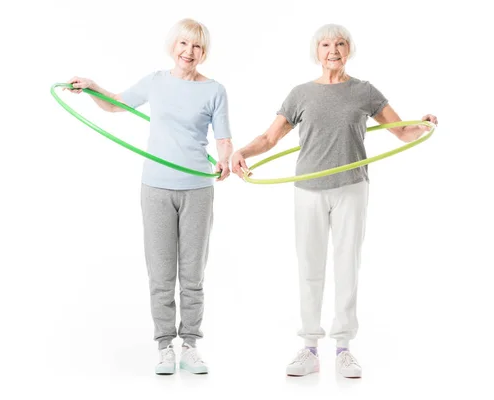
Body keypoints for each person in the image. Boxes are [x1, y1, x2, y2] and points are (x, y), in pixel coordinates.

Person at [231, 24, 438, 378]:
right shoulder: (300, 95)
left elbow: (401, 131)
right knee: (310, 268)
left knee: (346, 267)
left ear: (349, 50)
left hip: (351, 187)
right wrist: (242, 153)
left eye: (340, 44)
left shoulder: (364, 91)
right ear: (316, 51)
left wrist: (424, 125)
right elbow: (269, 138)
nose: (333, 50)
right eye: (326, 44)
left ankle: (343, 348)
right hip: (308, 189)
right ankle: (310, 348)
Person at [67, 18, 232, 375]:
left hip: (198, 189)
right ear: (174, 45)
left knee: (192, 275)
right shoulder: (155, 82)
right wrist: (94, 87)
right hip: (155, 187)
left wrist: (225, 160)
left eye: (197, 46)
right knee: (160, 273)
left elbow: (223, 138)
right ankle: (164, 348)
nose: (189, 52)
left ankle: (189, 345)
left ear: (204, 52)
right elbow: (116, 105)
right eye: (184, 44)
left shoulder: (215, 90)